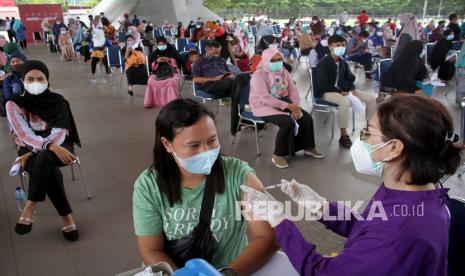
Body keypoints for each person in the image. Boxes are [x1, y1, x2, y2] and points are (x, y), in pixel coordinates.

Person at [243, 94, 458, 276]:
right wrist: (323, 207)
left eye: (368, 133)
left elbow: (321, 272)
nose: (362, 140)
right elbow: (369, 227)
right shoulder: (409, 190)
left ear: (393, 148)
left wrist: (280, 221)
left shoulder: (401, 229)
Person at [133, 99, 278, 273]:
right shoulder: (148, 186)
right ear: (167, 144)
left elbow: (267, 237)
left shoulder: (239, 176)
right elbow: (151, 249)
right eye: (193, 145)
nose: (206, 151)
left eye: (212, 140)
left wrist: (225, 273)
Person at [6, 60, 81, 242]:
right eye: (30, 79)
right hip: (30, 144)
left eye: (40, 78)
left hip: (60, 143)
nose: (35, 83)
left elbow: (61, 131)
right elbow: (24, 134)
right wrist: (46, 147)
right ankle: (67, 217)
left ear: (47, 80)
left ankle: (30, 205)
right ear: (22, 80)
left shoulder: (58, 101)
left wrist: (32, 153)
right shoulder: (14, 104)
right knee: (48, 164)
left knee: (44, 159)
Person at [250, 48, 325, 168]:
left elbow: (293, 91)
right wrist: (289, 106)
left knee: (306, 118)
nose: (277, 62)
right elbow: (265, 98)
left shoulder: (284, 71)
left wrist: (295, 106)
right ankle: (278, 155)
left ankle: (308, 147)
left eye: (279, 59)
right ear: (265, 60)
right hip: (263, 105)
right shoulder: (258, 75)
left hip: (284, 101)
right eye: (273, 60)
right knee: (287, 122)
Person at [313, 35, 377, 149]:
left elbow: (351, 78)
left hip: (343, 90)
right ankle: (343, 135)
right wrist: (340, 91)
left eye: (343, 45)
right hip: (326, 92)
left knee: (371, 99)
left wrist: (350, 89)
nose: (341, 47)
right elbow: (323, 84)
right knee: (344, 103)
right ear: (330, 47)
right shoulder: (323, 64)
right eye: (337, 45)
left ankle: (369, 129)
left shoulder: (343, 62)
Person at [144, 37, 181, 108]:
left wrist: (169, 60)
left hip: (173, 71)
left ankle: (172, 103)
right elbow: (151, 67)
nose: (161, 46)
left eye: (163, 44)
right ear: (157, 45)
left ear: (166, 44)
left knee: (171, 82)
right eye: (159, 45)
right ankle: (152, 102)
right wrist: (156, 62)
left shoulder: (172, 52)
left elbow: (178, 63)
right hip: (157, 72)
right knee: (151, 80)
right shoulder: (154, 54)